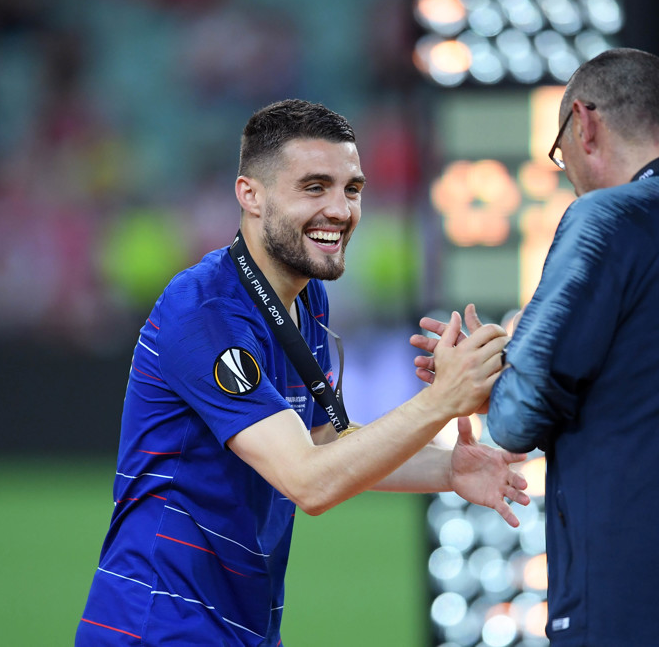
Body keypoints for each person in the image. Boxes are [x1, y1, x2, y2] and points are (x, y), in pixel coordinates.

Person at [76, 99, 530, 646]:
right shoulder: (205, 312)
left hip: (239, 626)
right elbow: (308, 481)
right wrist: (441, 401)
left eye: (352, 189)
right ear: (251, 196)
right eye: (314, 187)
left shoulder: (306, 297)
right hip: (156, 625)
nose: (340, 210)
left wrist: (447, 471)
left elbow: (321, 442)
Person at [413, 48, 659, 646]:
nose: (565, 164)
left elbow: (517, 420)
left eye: (559, 146)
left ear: (584, 122)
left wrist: (476, 374)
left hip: (637, 602)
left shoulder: (606, 219)